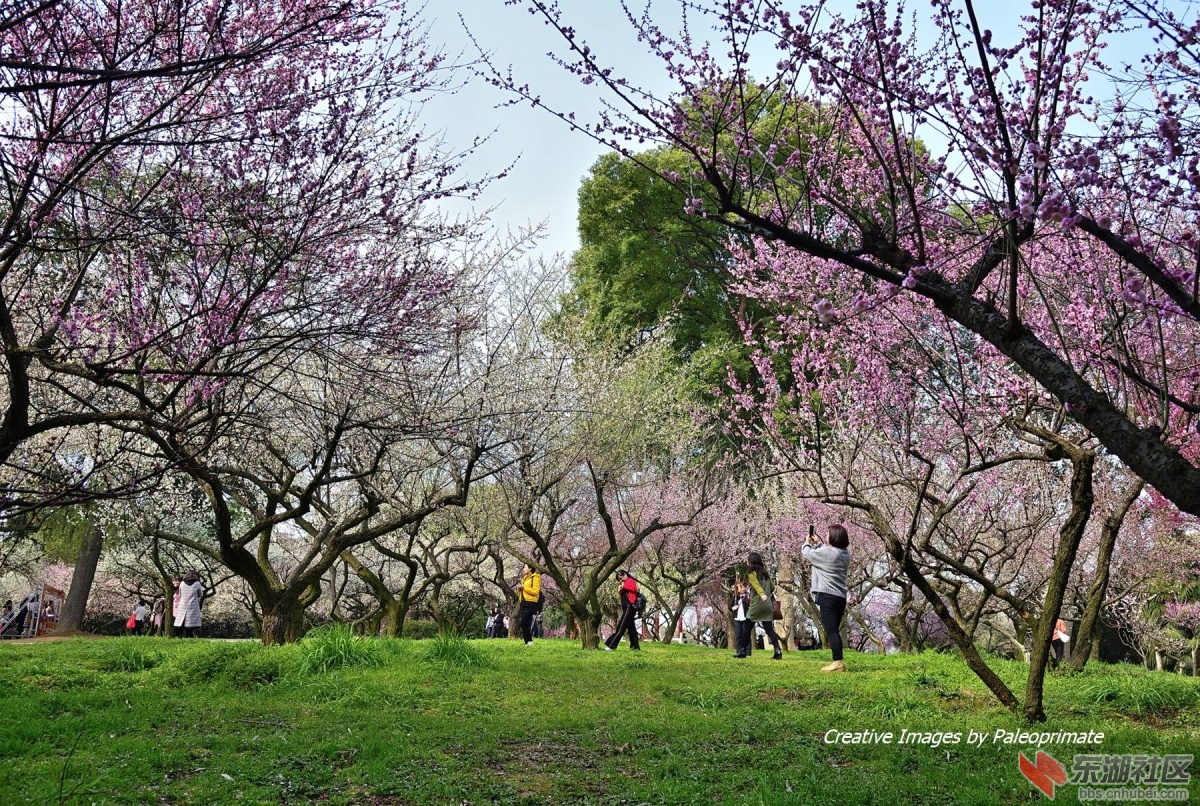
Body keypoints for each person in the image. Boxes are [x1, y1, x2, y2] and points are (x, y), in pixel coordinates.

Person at [801, 524, 852, 672]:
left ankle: (838, 662)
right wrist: (820, 543)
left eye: (828, 534)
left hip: (828, 596)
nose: (826, 535)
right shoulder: (845, 554)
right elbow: (828, 553)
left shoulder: (829, 553)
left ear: (834, 537)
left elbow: (807, 554)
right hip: (840, 597)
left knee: (831, 631)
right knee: (834, 629)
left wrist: (807, 542)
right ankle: (838, 661)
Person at [746, 552, 783, 660]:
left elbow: (756, 585)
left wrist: (761, 594)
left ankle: (742, 650)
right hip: (767, 606)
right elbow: (772, 587)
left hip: (757, 605)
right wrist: (765, 590)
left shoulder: (751, 573)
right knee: (769, 630)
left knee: (746, 628)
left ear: (751, 562)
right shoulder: (765, 573)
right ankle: (778, 650)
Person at [604, 569, 641, 651]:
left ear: (624, 574)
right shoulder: (624, 583)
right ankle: (635, 647)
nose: (620, 580)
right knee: (632, 628)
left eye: (620, 578)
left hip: (629, 606)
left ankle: (611, 645)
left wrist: (623, 586)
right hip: (626, 607)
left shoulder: (630, 580)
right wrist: (620, 590)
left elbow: (634, 589)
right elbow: (623, 595)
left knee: (621, 626)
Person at [516, 564, 541, 646]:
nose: (523, 569)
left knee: (522, 622)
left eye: (525, 567)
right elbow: (522, 591)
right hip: (523, 602)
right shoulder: (524, 578)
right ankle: (528, 642)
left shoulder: (535, 578)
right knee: (525, 624)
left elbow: (535, 592)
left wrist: (524, 588)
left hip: (531, 603)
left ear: (530, 569)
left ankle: (529, 641)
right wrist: (519, 589)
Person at [175, 570, 203, 638]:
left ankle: (179, 636)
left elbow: (180, 594)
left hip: (183, 604)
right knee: (192, 623)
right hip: (193, 605)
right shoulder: (197, 583)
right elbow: (200, 594)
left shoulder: (182, 583)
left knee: (181, 621)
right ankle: (191, 637)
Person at [730, 580, 752, 659]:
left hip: (746, 618)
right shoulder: (735, 597)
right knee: (738, 636)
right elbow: (730, 607)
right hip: (737, 618)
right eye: (739, 588)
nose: (741, 589)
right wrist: (733, 607)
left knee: (746, 635)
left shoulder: (748, 596)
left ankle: (748, 652)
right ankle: (739, 651)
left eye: (742, 587)